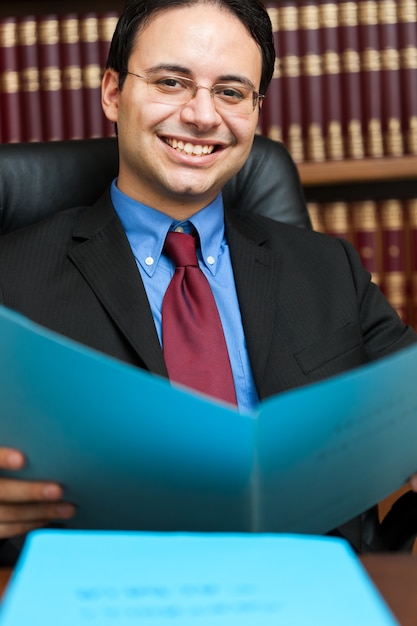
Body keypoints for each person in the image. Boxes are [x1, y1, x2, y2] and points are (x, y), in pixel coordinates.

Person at [0, 0, 416, 563]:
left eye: (230, 91)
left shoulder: (328, 267)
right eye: (172, 82)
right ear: (112, 93)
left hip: (315, 592)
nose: (202, 116)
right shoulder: (12, 276)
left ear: (256, 110)